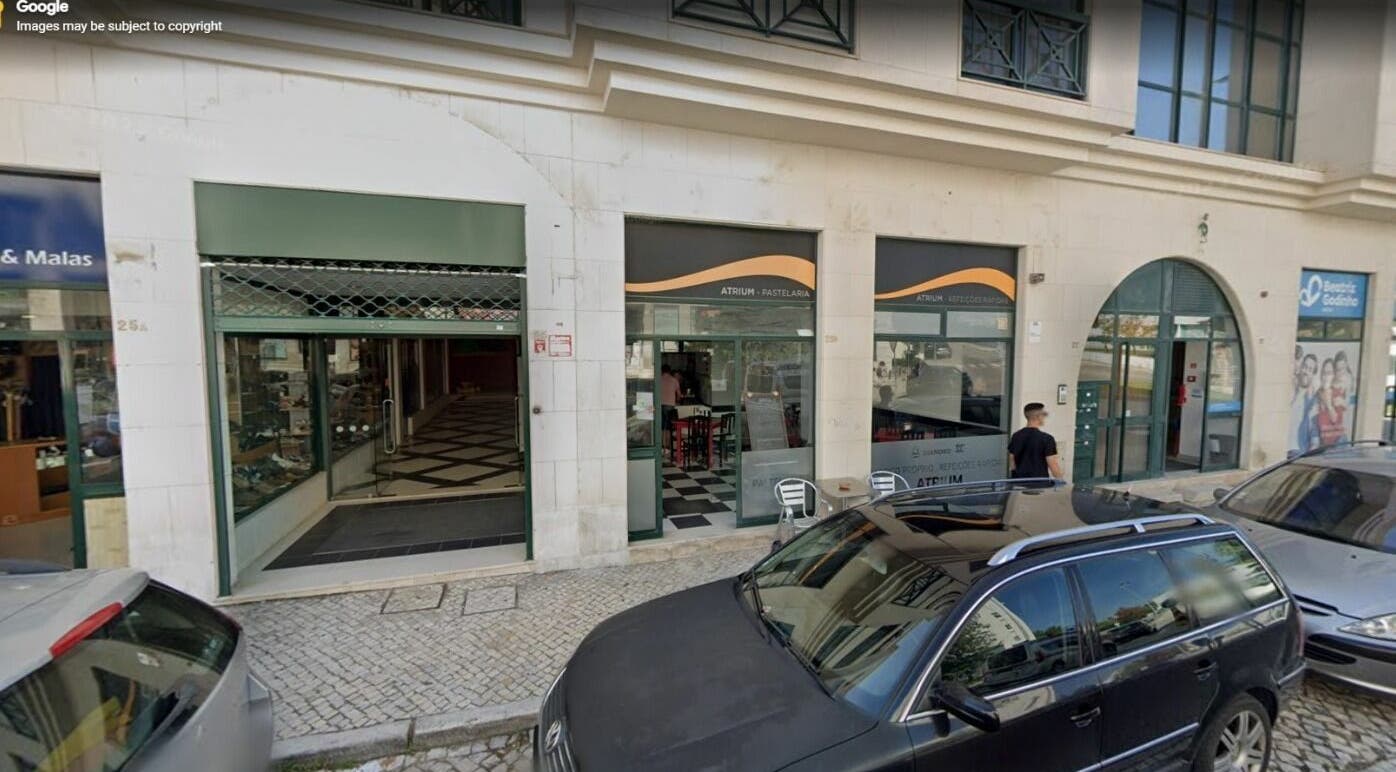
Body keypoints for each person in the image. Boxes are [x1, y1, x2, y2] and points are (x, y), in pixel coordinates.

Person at [1007, 402, 1063, 480]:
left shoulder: (1016, 436)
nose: (1044, 417)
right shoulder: (1047, 439)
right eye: (1044, 414)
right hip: (1039, 483)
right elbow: (1053, 464)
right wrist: (1061, 480)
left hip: (1018, 482)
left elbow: (1012, 461)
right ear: (1038, 417)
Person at [1290, 353, 1319, 454]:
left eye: (1310, 369)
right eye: (1305, 367)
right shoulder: (1291, 389)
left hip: (1297, 452)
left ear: (1313, 375)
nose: (1306, 371)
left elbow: (1315, 437)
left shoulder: (1312, 402)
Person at [660, 365, 681, 459]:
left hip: (659, 405)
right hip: (669, 405)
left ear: (662, 371)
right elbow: (679, 395)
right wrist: (677, 400)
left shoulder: (658, 379)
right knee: (668, 427)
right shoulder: (674, 380)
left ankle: (661, 446)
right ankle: (667, 447)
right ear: (669, 371)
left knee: (661, 426)